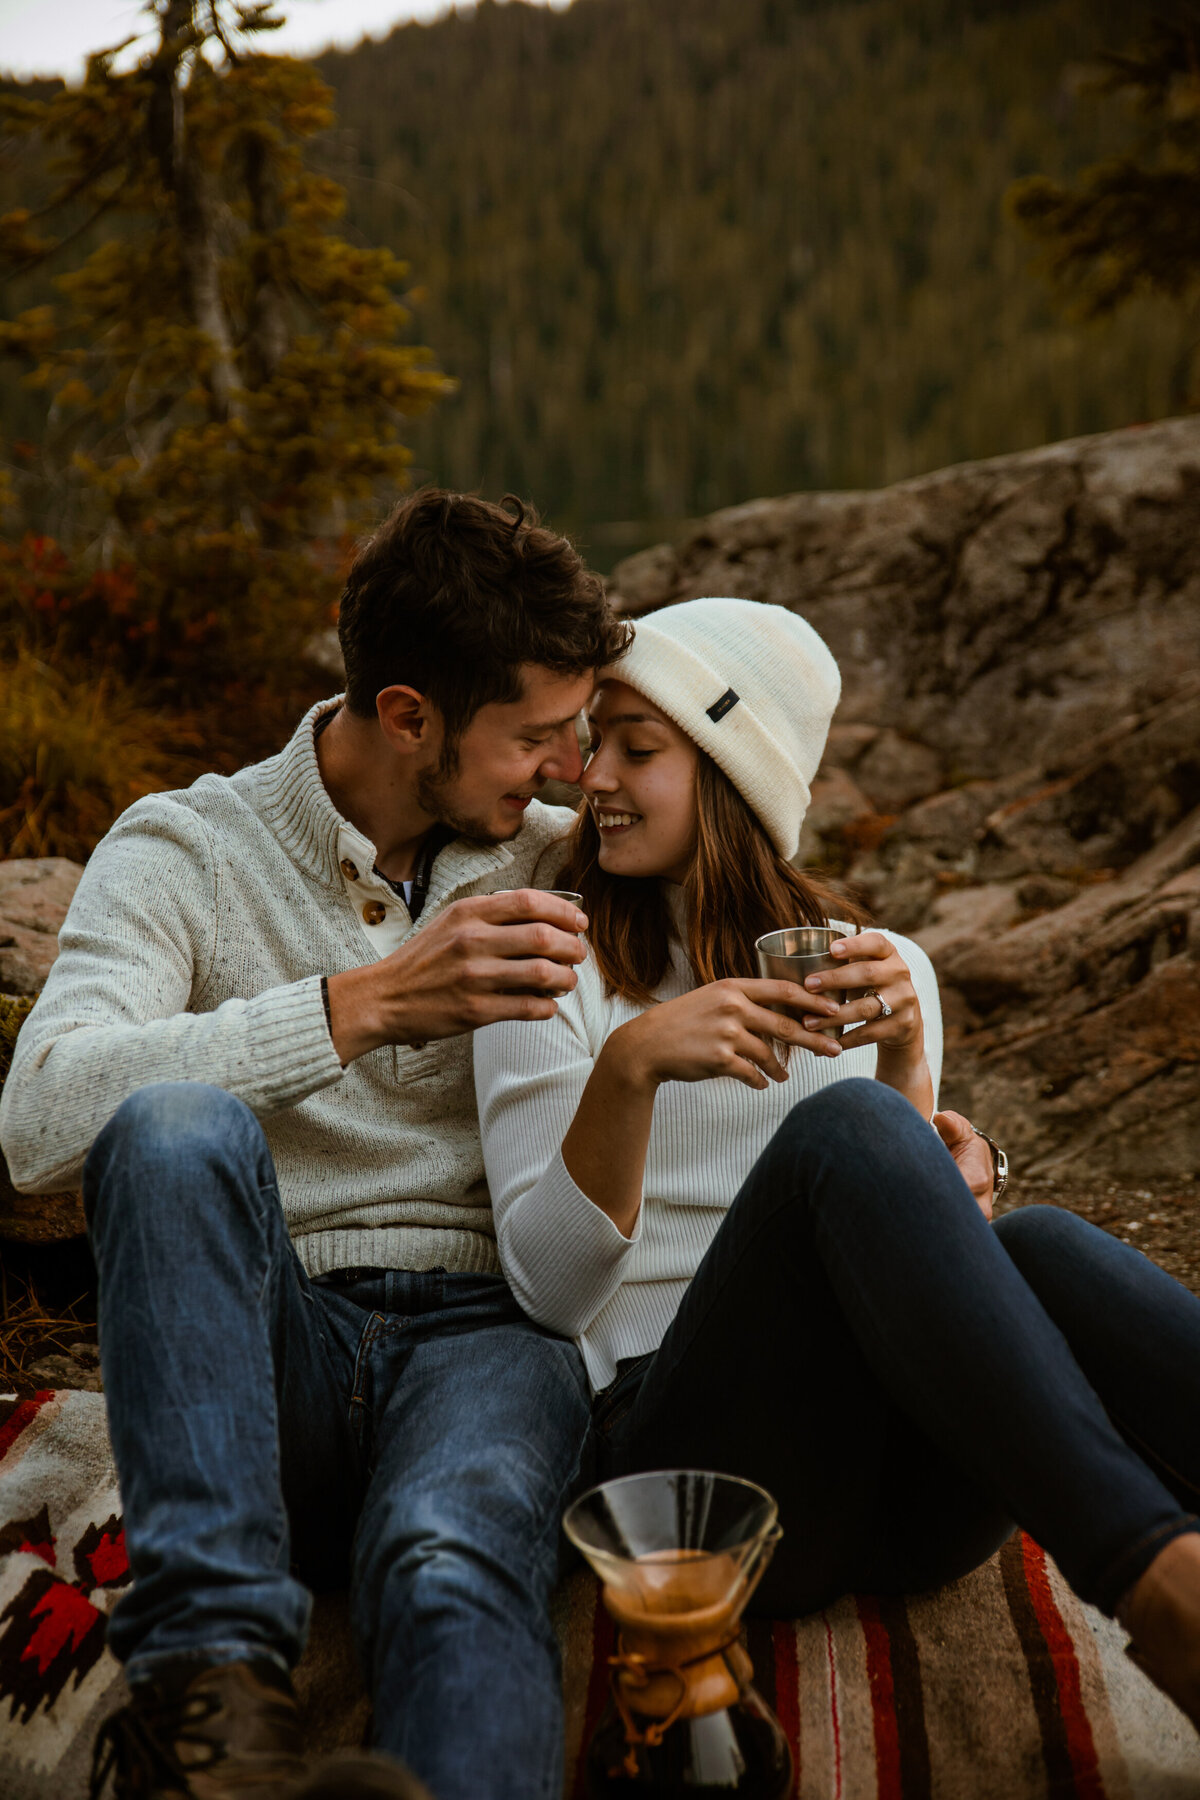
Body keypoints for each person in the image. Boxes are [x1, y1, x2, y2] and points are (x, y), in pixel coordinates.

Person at [474, 595, 1200, 1741]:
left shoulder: (880, 968)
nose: (591, 774)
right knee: (846, 1135)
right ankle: (1165, 1589)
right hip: (693, 1467)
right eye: (594, 741)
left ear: (730, 774)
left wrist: (909, 1055)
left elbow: (921, 1255)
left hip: (900, 1496)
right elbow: (549, 1294)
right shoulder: (548, 959)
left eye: (636, 748)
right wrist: (629, 1068)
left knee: (1036, 1245)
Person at [0, 489, 632, 1800]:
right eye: (535, 735)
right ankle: (218, 1727)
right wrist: (368, 1003)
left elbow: (763, 929)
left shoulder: (570, 859)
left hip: (494, 1340)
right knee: (170, 1126)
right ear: (409, 714)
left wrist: (910, 1100)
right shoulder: (184, 846)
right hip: (261, 1358)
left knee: (449, 1555)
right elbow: (40, 1120)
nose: (566, 769)